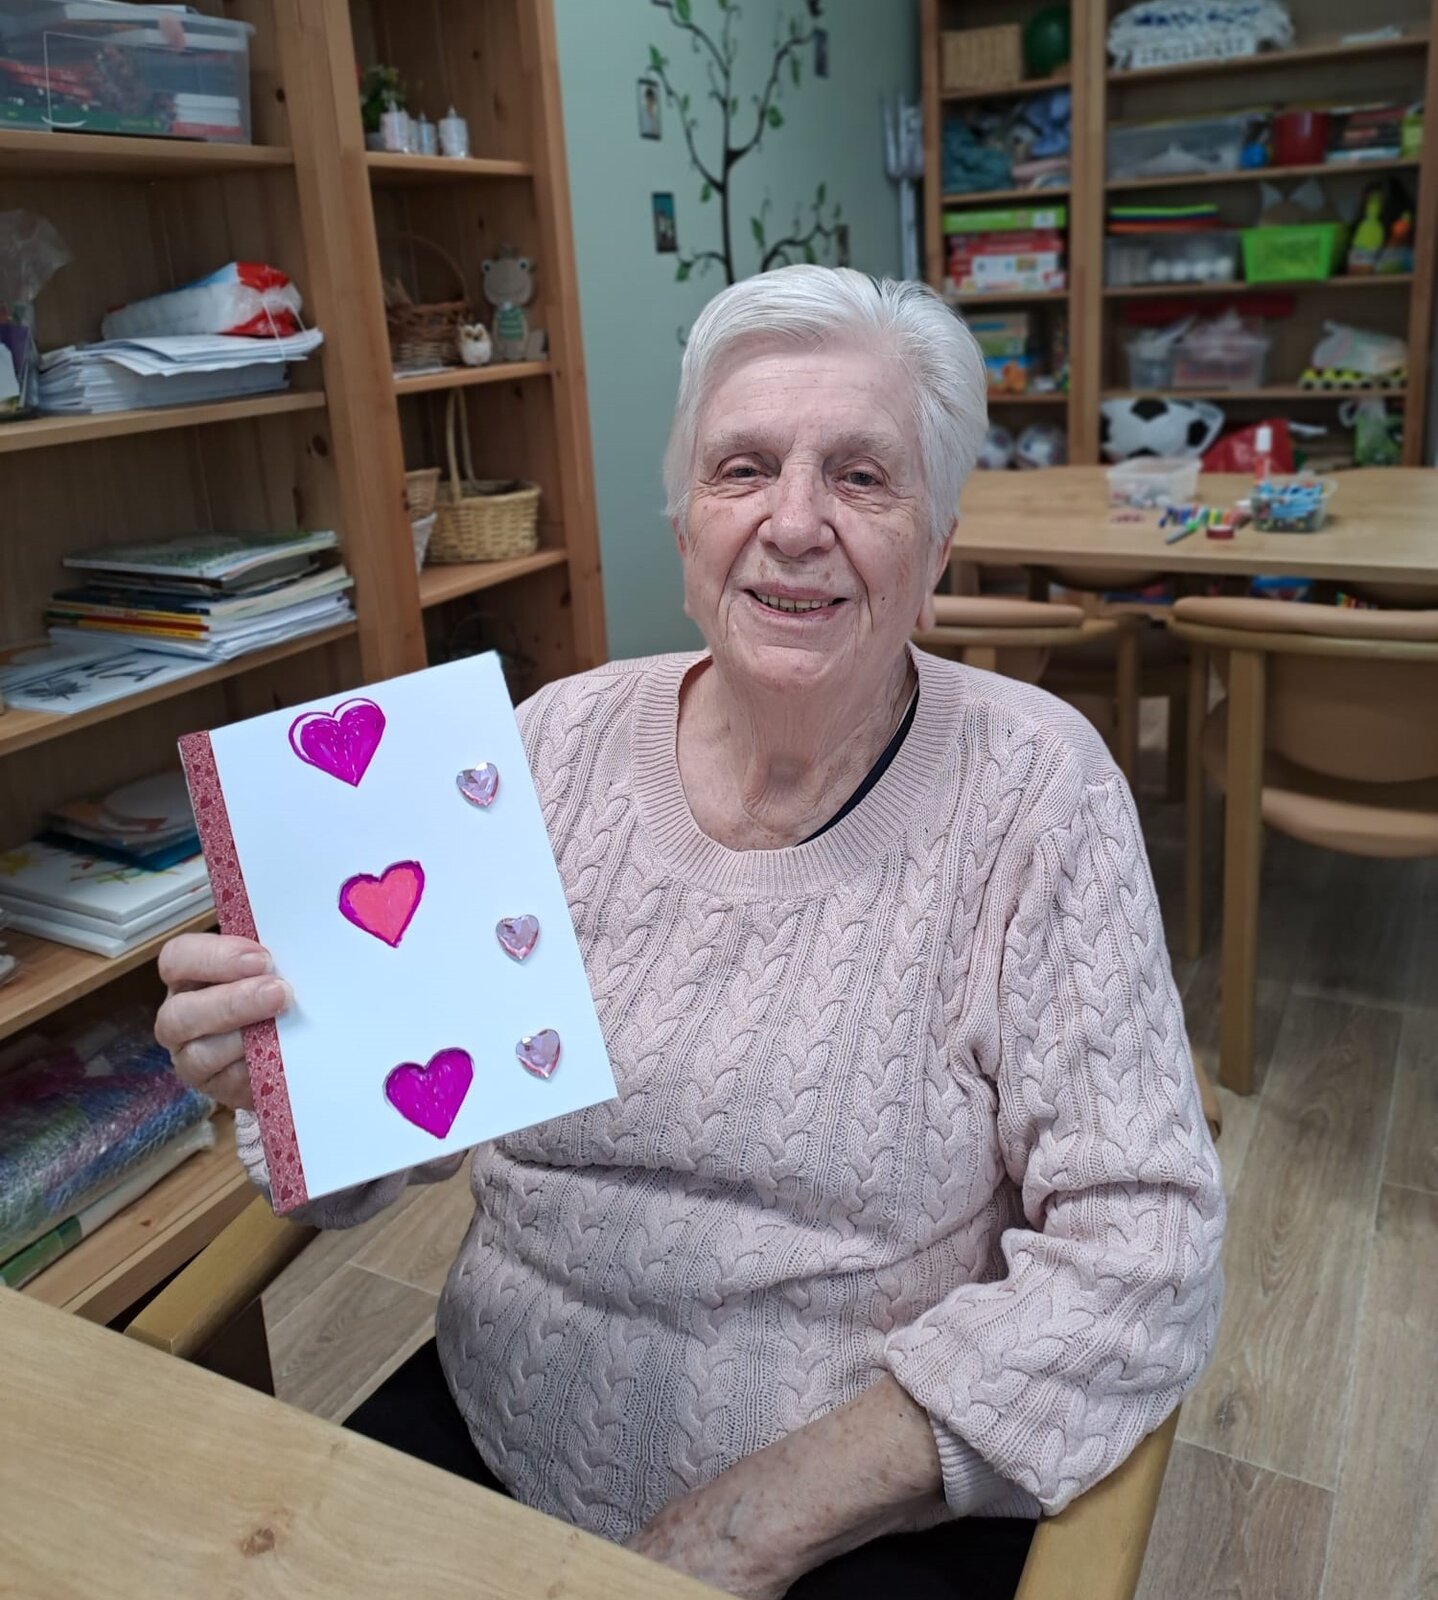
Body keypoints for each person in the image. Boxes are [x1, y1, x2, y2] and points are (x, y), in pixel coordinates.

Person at [155, 266, 1225, 1600]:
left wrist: (750, 1522)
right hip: (492, 1432)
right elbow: (385, 1149)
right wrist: (283, 1071)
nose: (794, 523)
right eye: (742, 469)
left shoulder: (1035, 794)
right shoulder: (547, 747)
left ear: (938, 548)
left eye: (861, 478)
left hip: (851, 1513)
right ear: (684, 525)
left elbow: (1143, 1252)